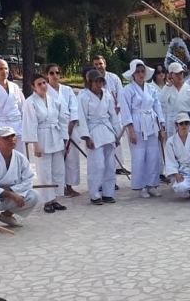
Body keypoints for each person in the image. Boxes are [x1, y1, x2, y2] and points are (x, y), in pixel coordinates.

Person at [22, 74, 68, 213]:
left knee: (58, 170)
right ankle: (47, 200)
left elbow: (62, 119)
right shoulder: (30, 102)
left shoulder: (53, 100)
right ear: (33, 87)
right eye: (39, 84)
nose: (43, 86)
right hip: (42, 138)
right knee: (44, 171)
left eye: (44, 83)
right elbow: (30, 124)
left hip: (56, 136)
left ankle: (55, 199)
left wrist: (64, 138)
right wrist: (35, 144)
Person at [120, 60, 166, 198]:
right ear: (133, 74)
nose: (141, 74)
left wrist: (161, 127)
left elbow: (157, 107)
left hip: (151, 124)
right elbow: (125, 111)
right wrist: (131, 131)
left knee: (153, 156)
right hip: (137, 124)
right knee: (139, 157)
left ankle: (152, 184)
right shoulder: (127, 90)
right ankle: (141, 186)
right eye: (138, 72)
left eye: (142, 71)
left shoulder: (151, 89)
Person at [76, 70, 121, 205]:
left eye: (101, 81)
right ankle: (94, 194)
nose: (99, 84)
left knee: (109, 165)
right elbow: (82, 118)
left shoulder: (107, 95)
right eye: (96, 81)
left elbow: (112, 115)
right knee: (97, 165)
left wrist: (117, 134)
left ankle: (108, 193)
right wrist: (86, 137)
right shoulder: (83, 97)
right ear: (90, 82)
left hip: (107, 130)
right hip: (93, 131)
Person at [46, 64, 81, 198]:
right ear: (47, 75)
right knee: (58, 160)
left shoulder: (67, 90)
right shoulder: (45, 91)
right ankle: (57, 187)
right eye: (52, 73)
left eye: (57, 73)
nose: (55, 75)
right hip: (54, 129)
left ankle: (70, 186)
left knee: (72, 159)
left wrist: (71, 125)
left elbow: (74, 107)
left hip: (70, 127)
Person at [92, 55, 129, 175]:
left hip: (114, 114)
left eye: (100, 64)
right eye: (96, 64)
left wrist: (117, 108)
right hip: (100, 118)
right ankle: (107, 169)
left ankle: (119, 166)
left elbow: (121, 96)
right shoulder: (91, 80)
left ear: (105, 64)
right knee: (105, 143)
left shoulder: (114, 78)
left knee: (117, 140)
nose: (98, 66)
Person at [0, 126, 39, 228]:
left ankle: (6, 216)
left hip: (13, 192)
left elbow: (28, 179)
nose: (11, 140)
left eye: (13, 136)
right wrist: (8, 193)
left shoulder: (20, 157)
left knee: (33, 195)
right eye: (6, 137)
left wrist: (12, 191)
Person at [161, 62, 190, 137]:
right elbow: (163, 108)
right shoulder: (166, 90)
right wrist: (163, 128)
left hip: (187, 121)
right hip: (172, 123)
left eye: (181, 73)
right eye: (176, 74)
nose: (180, 76)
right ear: (170, 75)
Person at [0, 59, 25, 153]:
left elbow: (23, 108)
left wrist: (26, 127)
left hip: (17, 126)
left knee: (20, 156)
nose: (4, 71)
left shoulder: (15, 87)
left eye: (6, 68)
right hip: (1, 127)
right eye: (0, 69)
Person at [150, 63, 171, 184]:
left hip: (170, 118)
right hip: (157, 120)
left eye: (163, 71)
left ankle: (170, 170)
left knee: (170, 146)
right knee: (159, 147)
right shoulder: (151, 87)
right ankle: (160, 172)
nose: (161, 74)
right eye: (158, 72)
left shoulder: (169, 86)